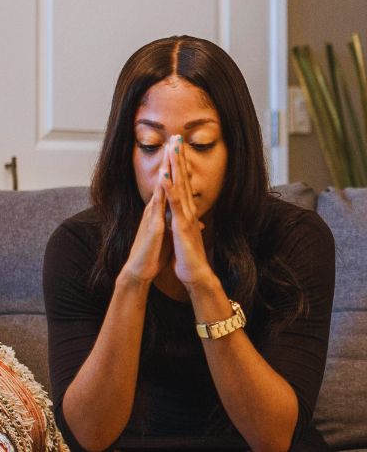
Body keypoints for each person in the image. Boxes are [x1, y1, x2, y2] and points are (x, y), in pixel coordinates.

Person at [43, 36, 335, 451]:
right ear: (125, 151)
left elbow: (273, 435)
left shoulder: (295, 239)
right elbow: (88, 434)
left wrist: (200, 281)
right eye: (150, 144)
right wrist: (133, 280)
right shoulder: (77, 245)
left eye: (199, 144)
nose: (172, 169)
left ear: (235, 149)